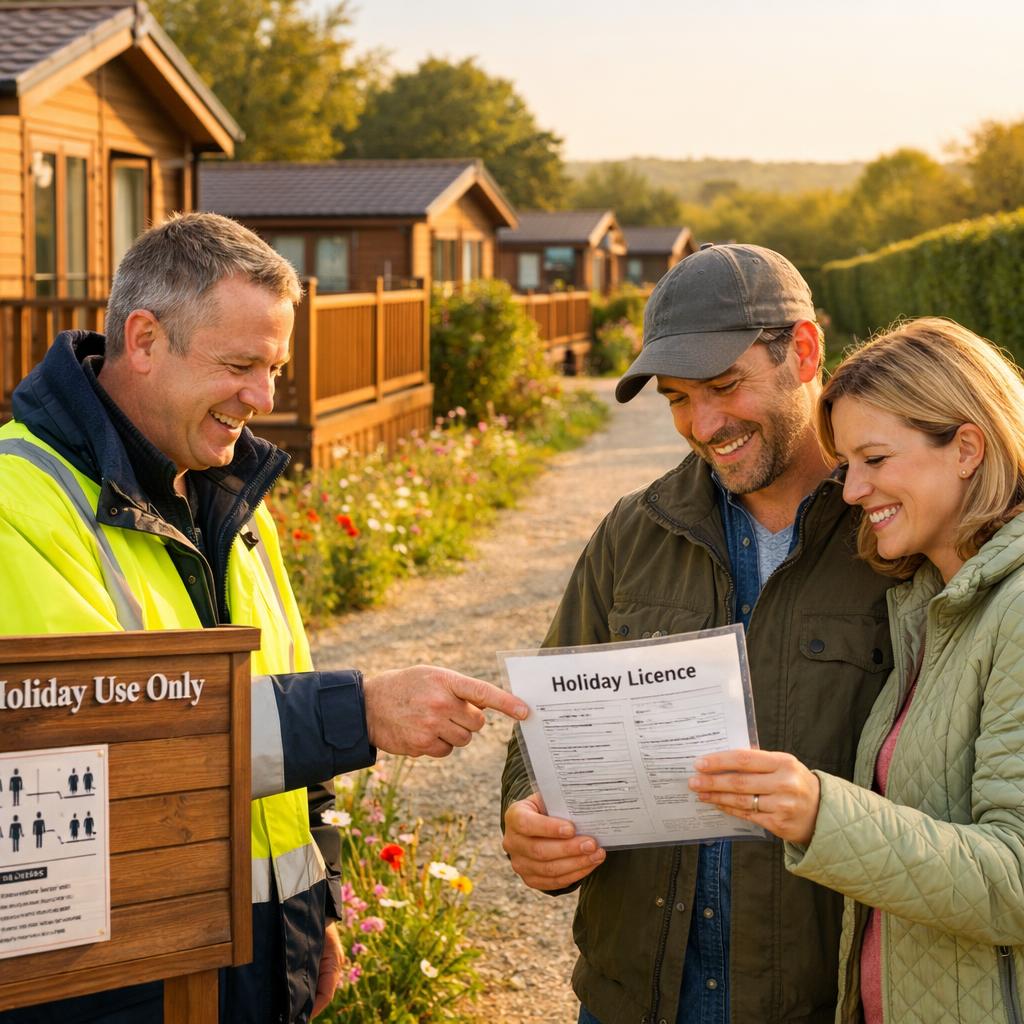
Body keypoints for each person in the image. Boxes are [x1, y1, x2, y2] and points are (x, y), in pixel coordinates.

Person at [0, 212, 527, 1024]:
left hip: (259, 949)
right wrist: (361, 709)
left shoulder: (230, 497)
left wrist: (317, 911)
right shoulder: (17, 502)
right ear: (143, 340)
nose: (264, 398)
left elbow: (285, 720)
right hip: (114, 971)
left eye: (274, 367)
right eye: (241, 365)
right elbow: (100, 740)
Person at [500, 243, 895, 1024]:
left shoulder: (894, 539)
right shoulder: (632, 531)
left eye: (723, 385)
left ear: (804, 351)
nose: (704, 424)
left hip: (822, 1001)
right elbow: (538, 725)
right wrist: (528, 817)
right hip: (634, 998)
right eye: (678, 398)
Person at [692, 317, 1024, 1023]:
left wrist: (821, 814)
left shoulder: (1017, 611)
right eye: (847, 465)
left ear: (967, 446)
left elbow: (1015, 881)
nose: (851, 491)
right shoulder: (927, 603)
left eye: (875, 459)